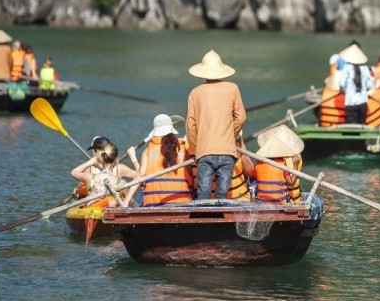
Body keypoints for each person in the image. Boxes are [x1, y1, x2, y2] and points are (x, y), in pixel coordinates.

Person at [186, 50, 246, 200]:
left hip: (204, 151)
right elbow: (241, 117)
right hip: (226, 150)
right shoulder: (232, 88)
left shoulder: (195, 92)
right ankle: (221, 220)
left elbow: (191, 126)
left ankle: (202, 221)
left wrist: (197, 147)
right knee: (222, 195)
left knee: (203, 195)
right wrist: (228, 134)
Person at [125, 114, 195, 206]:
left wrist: (126, 200)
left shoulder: (148, 151)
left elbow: (140, 176)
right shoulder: (184, 149)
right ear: (172, 131)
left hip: (153, 204)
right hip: (182, 202)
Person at [70, 137, 137, 207]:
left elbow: (73, 172)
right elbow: (131, 201)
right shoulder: (122, 183)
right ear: (116, 160)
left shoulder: (90, 177)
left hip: (92, 212)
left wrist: (89, 162)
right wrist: (133, 158)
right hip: (112, 210)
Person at [254, 125, 304, 204]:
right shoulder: (282, 165)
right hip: (280, 202)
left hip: (262, 201)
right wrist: (295, 165)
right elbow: (291, 184)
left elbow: (254, 178)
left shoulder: (259, 163)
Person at [338, 42, 374, 124]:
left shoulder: (346, 68)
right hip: (363, 102)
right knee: (361, 125)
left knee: (351, 127)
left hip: (350, 102)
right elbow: (369, 85)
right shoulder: (365, 69)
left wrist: (345, 92)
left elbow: (342, 85)